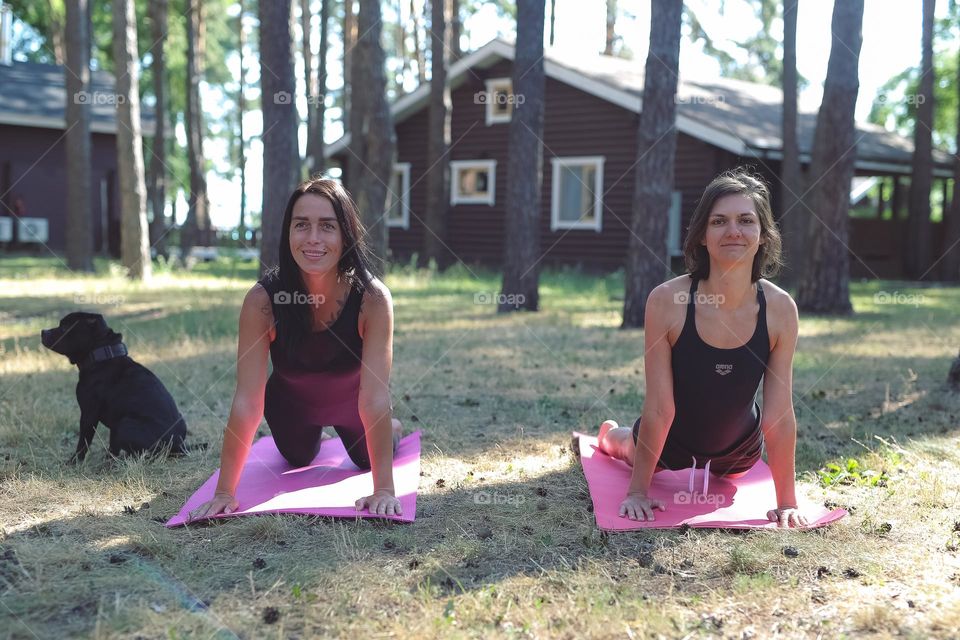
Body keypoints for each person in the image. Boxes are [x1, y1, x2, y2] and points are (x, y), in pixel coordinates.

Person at [598, 168, 808, 528]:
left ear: (762, 235)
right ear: (702, 236)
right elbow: (660, 408)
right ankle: (607, 435)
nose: (733, 231)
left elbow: (779, 415)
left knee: (728, 480)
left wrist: (786, 502)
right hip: (669, 441)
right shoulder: (667, 300)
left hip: (740, 450)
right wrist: (637, 492)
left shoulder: (781, 308)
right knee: (623, 448)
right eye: (719, 221)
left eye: (746, 220)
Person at [189, 178, 403, 520]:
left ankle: (393, 427)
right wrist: (225, 492)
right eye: (301, 225)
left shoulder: (373, 299)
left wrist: (384, 489)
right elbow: (247, 399)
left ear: (346, 234)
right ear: (288, 232)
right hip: (291, 407)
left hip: (355, 406)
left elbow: (375, 397)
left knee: (365, 459)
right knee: (297, 457)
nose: (313, 238)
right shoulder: (262, 301)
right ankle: (311, 435)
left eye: (327, 226)